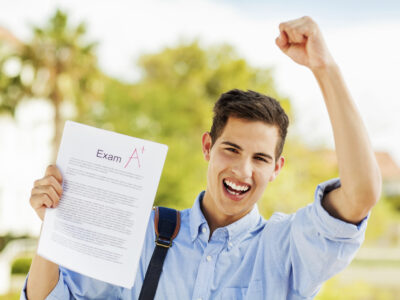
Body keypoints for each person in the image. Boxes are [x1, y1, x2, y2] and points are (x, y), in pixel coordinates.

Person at [22, 16, 381, 300]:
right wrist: (53, 227)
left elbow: (360, 194)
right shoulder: (139, 234)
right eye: (231, 149)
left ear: (276, 168)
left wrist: (325, 68)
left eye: (260, 158)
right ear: (208, 147)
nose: (242, 170)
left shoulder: (284, 250)